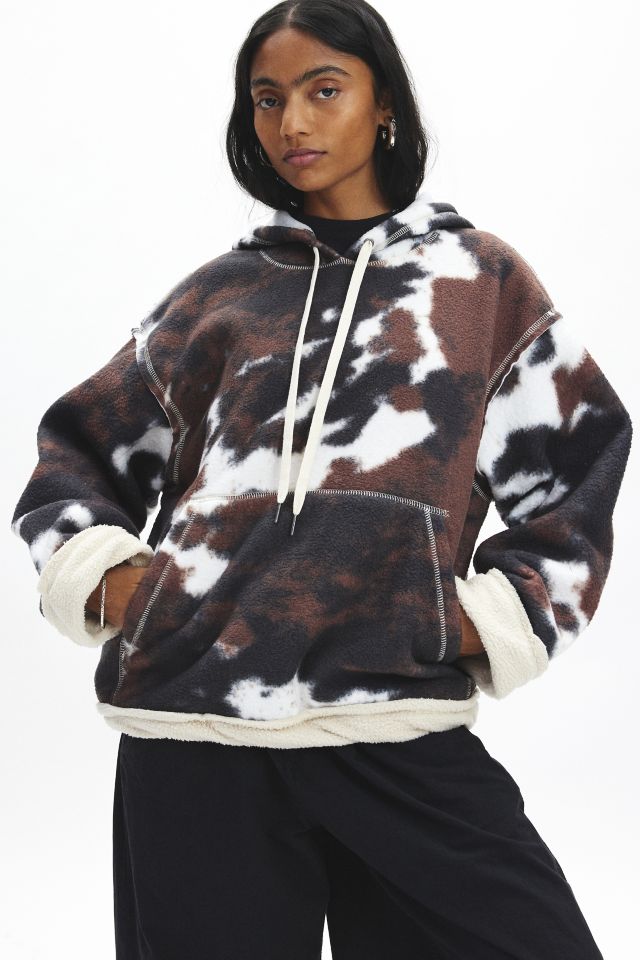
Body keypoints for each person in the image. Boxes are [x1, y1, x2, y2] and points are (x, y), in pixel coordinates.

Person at [11, 1, 632, 957]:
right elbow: (77, 455)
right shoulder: (217, 294)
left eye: (323, 90)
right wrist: (117, 583)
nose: (292, 123)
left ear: (384, 105)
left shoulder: (480, 284)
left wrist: (476, 620)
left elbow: (578, 469)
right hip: (197, 733)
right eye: (267, 99)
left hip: (393, 722)